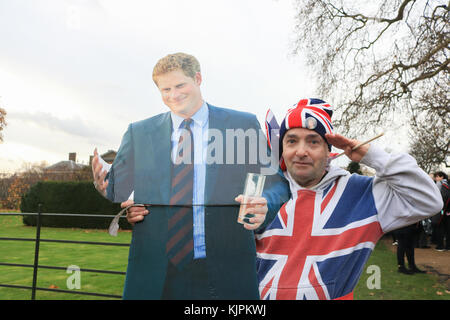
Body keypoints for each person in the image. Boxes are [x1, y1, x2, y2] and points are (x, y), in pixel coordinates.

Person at [92, 52, 289, 299]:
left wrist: (264, 204)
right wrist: (103, 185)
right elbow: (117, 190)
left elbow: (277, 184)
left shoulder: (242, 125)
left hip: (226, 270)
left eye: (180, 85)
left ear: (198, 79)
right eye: (165, 89)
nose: (173, 95)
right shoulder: (138, 133)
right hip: (155, 273)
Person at [255, 98, 443, 300]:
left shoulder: (363, 193)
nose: (301, 151)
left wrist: (372, 157)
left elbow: (429, 200)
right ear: (282, 148)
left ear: (329, 150)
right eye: (292, 141)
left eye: (313, 141)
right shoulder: (262, 193)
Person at [432, 171, 450, 251]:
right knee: (447, 228)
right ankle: (448, 246)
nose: (436, 179)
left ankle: (440, 246)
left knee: (440, 227)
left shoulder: (441, 184)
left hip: (442, 210)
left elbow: (441, 196)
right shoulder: (446, 183)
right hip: (447, 210)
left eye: (437, 177)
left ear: (441, 176)